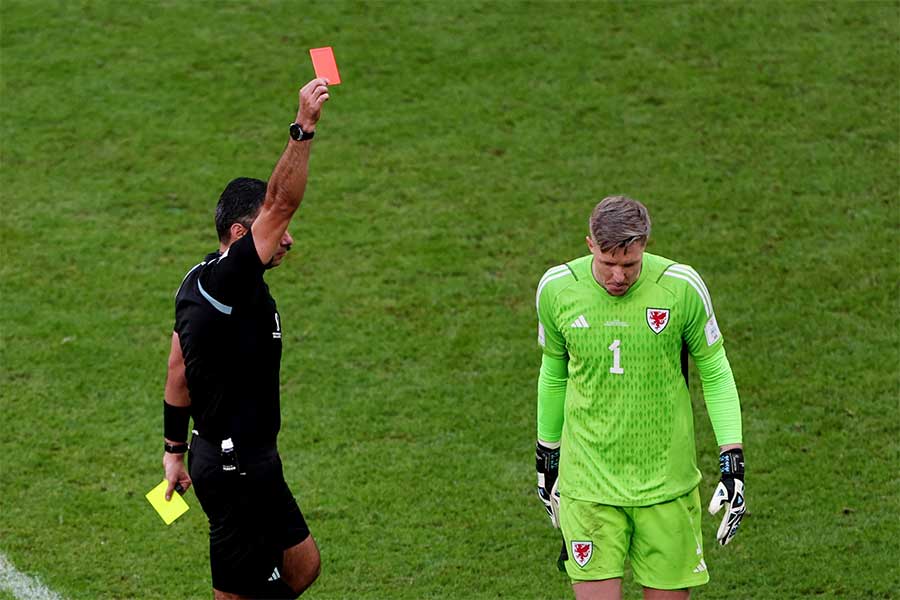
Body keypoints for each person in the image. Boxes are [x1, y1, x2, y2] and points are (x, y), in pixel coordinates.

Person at [161, 77, 330, 600]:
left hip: (249, 459)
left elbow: (178, 370)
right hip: (233, 468)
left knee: (301, 566)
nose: (288, 238)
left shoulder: (199, 281)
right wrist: (303, 128)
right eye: (273, 232)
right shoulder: (227, 280)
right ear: (240, 235)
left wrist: (172, 451)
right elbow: (281, 203)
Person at [533, 196, 746, 600]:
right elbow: (553, 372)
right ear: (589, 244)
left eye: (629, 265)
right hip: (589, 487)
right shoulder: (557, 290)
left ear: (644, 246)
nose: (618, 276)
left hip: (666, 485)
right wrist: (547, 454)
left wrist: (732, 459)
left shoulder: (681, 288)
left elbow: (715, 371)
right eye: (608, 263)